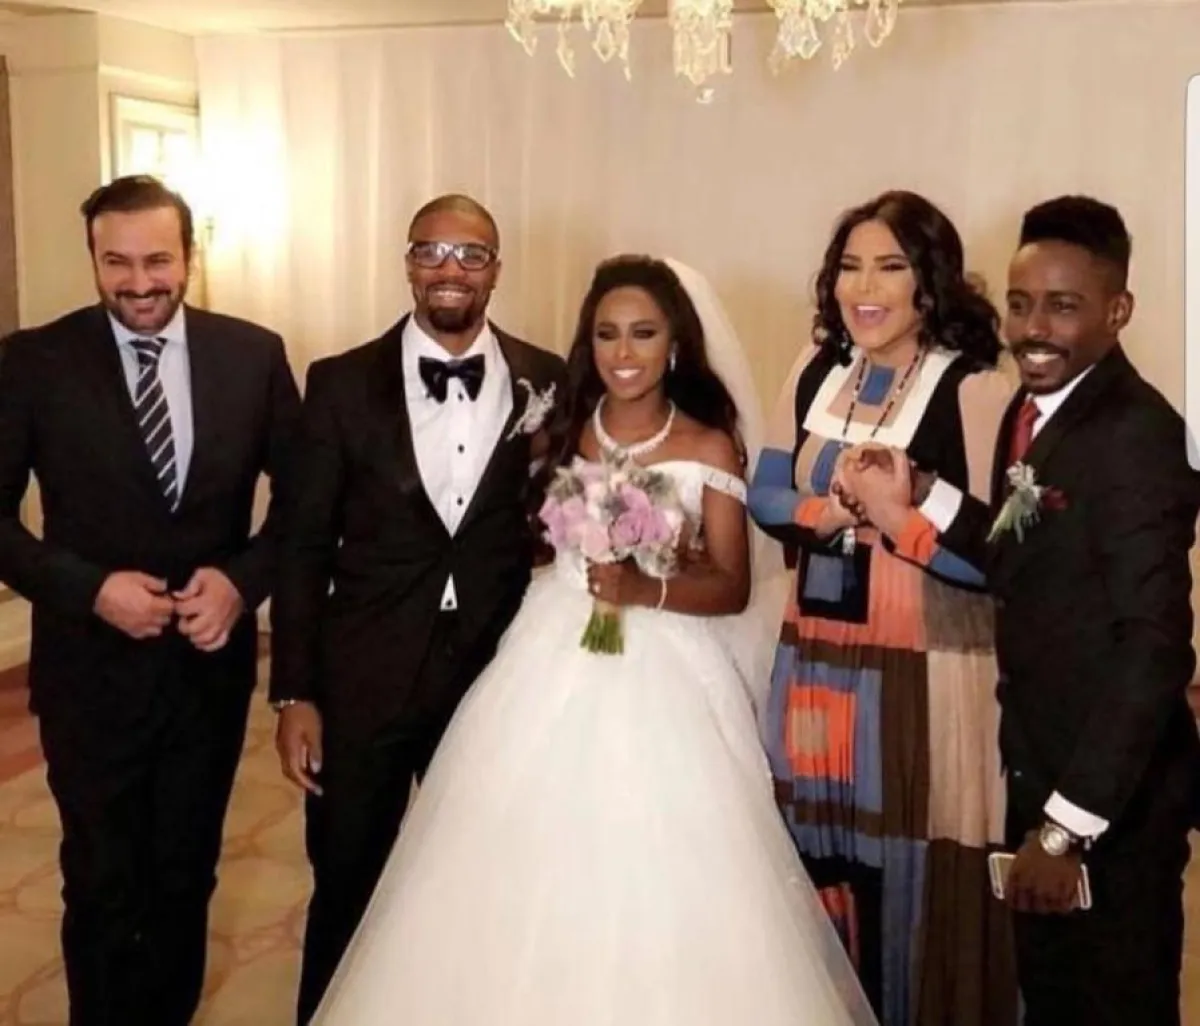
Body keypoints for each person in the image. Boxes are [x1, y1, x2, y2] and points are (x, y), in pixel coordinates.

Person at [305, 254, 877, 1026]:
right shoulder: (567, 428)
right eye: (607, 334)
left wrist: (647, 587)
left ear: (675, 343)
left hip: (666, 667)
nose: (624, 352)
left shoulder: (709, 445)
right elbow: (530, 540)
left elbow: (732, 585)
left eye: (643, 333)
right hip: (550, 647)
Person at [843, 195, 1200, 1025]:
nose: (1033, 328)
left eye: (1063, 306)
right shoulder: (1035, 410)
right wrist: (924, 493)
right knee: (1054, 998)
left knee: (1113, 1004)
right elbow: (1018, 553)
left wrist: (1065, 828)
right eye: (1020, 302)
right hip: (1041, 766)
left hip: (1111, 801)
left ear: (1118, 311)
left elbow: (1153, 649)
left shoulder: (1136, 435)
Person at [0, 174, 300, 1026]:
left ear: (189, 257)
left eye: (158, 261)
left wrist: (242, 583)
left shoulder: (253, 355)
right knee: (101, 881)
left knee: (185, 876)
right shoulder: (33, 361)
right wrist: (90, 590)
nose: (139, 283)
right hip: (87, 679)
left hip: (206, 678)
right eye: (117, 263)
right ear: (93, 260)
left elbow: (306, 504)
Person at [269, 193, 568, 1023]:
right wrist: (295, 693)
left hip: (492, 676)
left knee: (480, 883)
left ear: (496, 270)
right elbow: (301, 547)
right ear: (407, 263)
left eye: (471, 254)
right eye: (432, 250)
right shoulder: (338, 382)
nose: (450, 269)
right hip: (362, 679)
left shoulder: (547, 377)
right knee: (348, 882)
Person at [747, 190, 1019, 1025]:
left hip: (929, 672)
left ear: (929, 285)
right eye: (850, 267)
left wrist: (904, 519)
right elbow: (764, 492)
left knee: (917, 869)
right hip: (819, 657)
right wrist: (829, 512)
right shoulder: (816, 369)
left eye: (890, 267)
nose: (864, 288)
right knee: (820, 852)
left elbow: (1002, 555)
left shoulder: (976, 389)